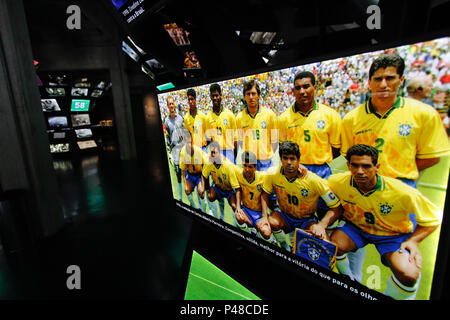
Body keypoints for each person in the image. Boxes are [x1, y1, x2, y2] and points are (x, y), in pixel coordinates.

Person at [340, 53, 449, 283]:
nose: (383, 84)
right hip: (361, 192)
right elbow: (350, 158)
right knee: (349, 247)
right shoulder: (351, 119)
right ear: (369, 82)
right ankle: (353, 282)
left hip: (399, 192)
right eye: (377, 79)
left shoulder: (423, 114)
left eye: (390, 78)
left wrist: (398, 178)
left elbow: (431, 158)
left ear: (401, 80)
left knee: (406, 267)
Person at [328, 144, 441, 300]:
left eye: (366, 166)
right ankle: (349, 279)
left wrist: (414, 241)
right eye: (355, 165)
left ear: (377, 167)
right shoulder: (337, 181)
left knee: (408, 273)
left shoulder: (402, 191)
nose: (360, 171)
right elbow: (319, 188)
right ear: (348, 165)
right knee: (332, 246)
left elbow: (433, 217)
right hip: (357, 228)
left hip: (392, 234)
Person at [277, 71, 342, 217]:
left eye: (306, 86)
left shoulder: (330, 115)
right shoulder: (284, 118)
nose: (302, 91)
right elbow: (282, 147)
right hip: (296, 171)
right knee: (300, 213)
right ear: (293, 91)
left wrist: (320, 160)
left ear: (315, 88)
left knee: (325, 211)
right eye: (298, 88)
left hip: (322, 172)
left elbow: (336, 149)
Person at [261, 141, 342, 252]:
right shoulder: (272, 174)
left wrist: (322, 225)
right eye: (285, 158)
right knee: (269, 225)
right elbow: (264, 194)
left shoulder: (313, 180)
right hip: (285, 216)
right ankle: (285, 247)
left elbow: (336, 207)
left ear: (299, 160)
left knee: (325, 243)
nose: (289, 162)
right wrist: (264, 216)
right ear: (280, 159)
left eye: (292, 159)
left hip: (306, 220)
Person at [234, 151, 276, 244]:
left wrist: (265, 216)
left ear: (255, 168)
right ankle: (249, 238)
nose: (247, 169)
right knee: (238, 217)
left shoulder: (263, 177)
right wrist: (238, 207)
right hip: (246, 211)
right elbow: (238, 190)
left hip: (259, 214)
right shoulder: (238, 174)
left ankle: (273, 242)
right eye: (245, 166)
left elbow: (276, 174)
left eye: (250, 167)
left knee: (266, 233)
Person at [236, 79, 278, 171]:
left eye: (253, 93)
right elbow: (241, 141)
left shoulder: (269, 115)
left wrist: (265, 153)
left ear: (258, 95)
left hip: (266, 163)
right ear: (244, 97)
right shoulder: (239, 117)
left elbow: (274, 141)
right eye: (248, 94)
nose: (251, 97)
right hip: (249, 163)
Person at [198, 141, 240, 222]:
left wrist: (238, 206)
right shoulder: (209, 162)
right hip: (218, 187)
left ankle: (239, 226)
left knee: (234, 206)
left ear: (219, 153)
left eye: (214, 152)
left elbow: (237, 188)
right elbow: (203, 175)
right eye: (210, 152)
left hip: (229, 190)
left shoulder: (228, 166)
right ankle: (219, 218)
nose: (212, 155)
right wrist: (202, 187)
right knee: (210, 196)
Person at [205, 83, 237, 164]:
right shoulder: (208, 117)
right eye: (213, 96)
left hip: (229, 152)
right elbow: (209, 140)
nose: (215, 98)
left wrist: (233, 156)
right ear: (210, 97)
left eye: (217, 95)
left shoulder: (230, 115)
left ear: (221, 95)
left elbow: (235, 140)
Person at [179, 129, 208, 212]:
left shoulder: (198, 151)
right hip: (190, 175)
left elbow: (206, 164)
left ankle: (204, 211)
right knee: (187, 190)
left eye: (190, 142)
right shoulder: (183, 152)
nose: (189, 144)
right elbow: (183, 170)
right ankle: (194, 208)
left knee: (201, 192)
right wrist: (185, 184)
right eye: (187, 142)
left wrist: (203, 182)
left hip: (199, 175)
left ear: (192, 141)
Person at [164, 95, 185, 202]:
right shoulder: (166, 120)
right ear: (167, 106)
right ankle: (180, 199)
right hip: (175, 150)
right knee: (178, 175)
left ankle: (193, 204)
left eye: (173, 103)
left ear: (174, 104)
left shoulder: (181, 118)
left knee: (187, 175)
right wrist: (169, 152)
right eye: (170, 104)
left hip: (183, 149)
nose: (171, 105)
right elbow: (167, 136)